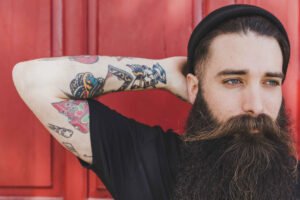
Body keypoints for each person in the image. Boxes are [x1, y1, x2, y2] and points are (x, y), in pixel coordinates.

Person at [12, 4, 299, 200]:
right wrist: (161, 74)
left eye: (270, 82)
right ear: (194, 88)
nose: (256, 105)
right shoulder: (150, 161)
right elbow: (35, 80)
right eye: (233, 81)